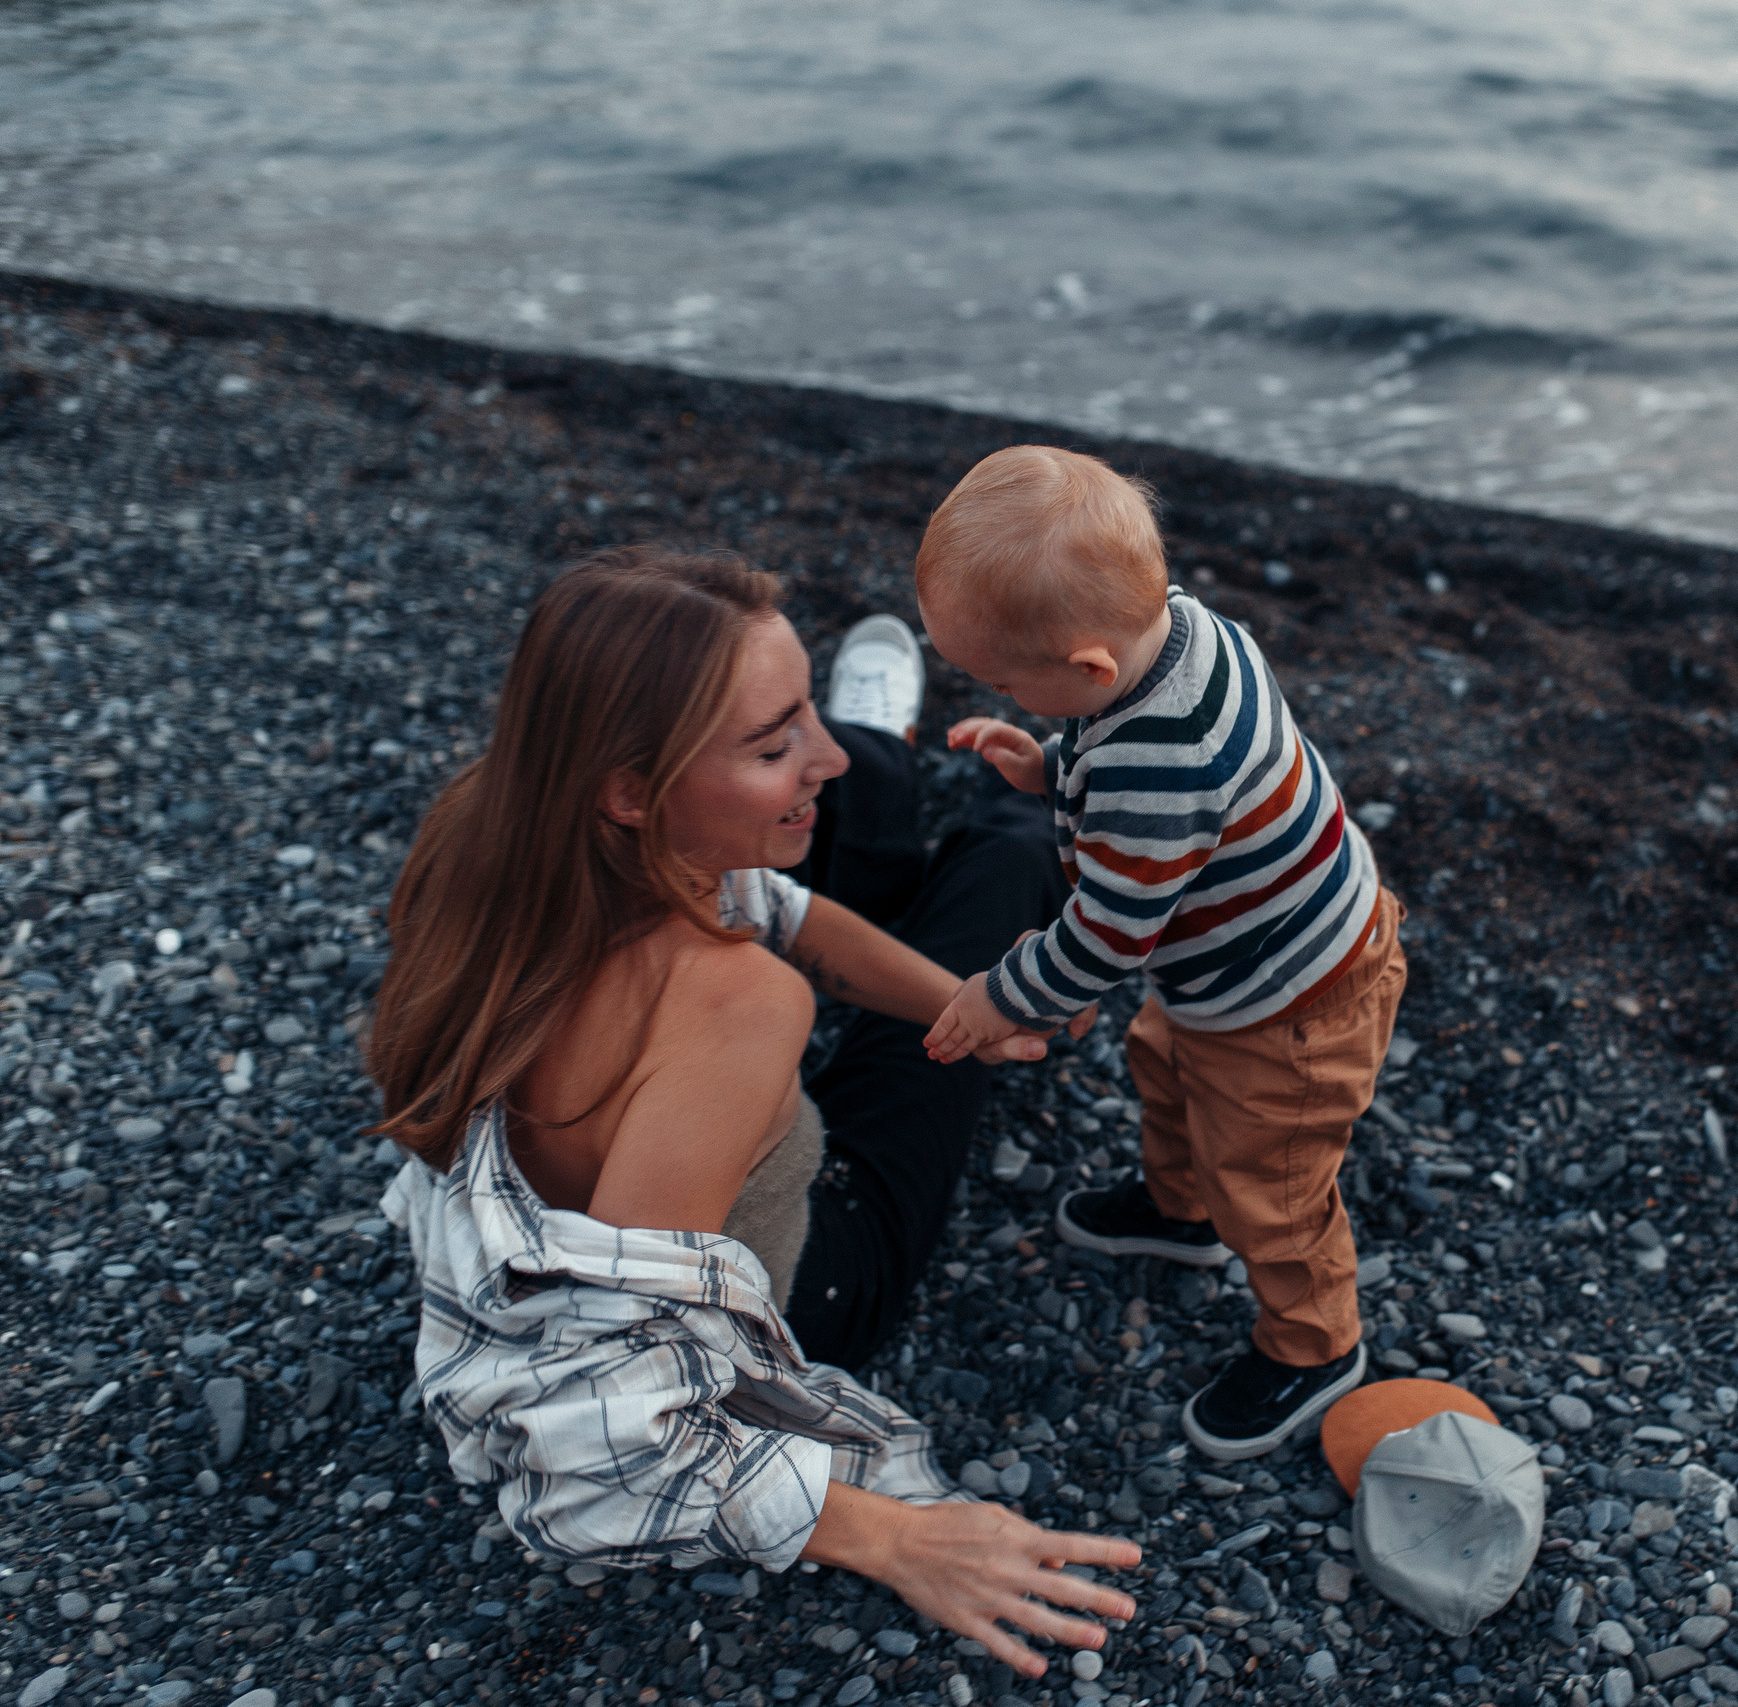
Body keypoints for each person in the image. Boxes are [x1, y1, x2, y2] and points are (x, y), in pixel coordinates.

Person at [369, 546, 1138, 1679]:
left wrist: (968, 1008)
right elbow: (626, 1400)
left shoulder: (493, 825)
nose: (803, 752)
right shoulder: (735, 1006)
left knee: (847, 821)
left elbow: (789, 917)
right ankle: (976, 792)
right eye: (775, 740)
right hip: (821, 1261)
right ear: (629, 790)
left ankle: (887, 757)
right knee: (1005, 855)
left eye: (806, 719)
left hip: (684, 1127)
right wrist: (899, 1537)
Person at [914, 446, 1408, 1462]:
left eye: (1001, 678)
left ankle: (1317, 1346)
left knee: (1269, 1180)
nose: (989, 689)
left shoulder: (1157, 756)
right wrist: (1047, 766)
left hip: (1291, 999)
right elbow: (1133, 788)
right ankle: (1178, 1210)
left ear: (1088, 668)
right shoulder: (1179, 629)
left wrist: (1002, 997)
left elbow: (1104, 933)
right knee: (1166, 1068)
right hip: (1234, 962)